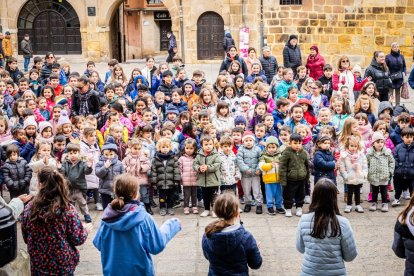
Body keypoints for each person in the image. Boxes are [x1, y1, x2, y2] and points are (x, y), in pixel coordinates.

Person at [93, 173, 181, 276]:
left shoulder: (107, 218)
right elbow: (157, 245)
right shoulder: (144, 218)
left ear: (115, 193)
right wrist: (172, 225)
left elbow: (98, 243)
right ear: (136, 194)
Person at [20, 166, 91, 275]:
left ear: (39, 184)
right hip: (62, 265)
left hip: (38, 264)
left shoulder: (29, 208)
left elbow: (26, 237)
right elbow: (78, 238)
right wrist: (85, 230)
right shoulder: (67, 209)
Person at [296, 178, 357, 275]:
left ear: (314, 196)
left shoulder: (304, 220)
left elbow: (300, 248)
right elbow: (350, 256)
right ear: (334, 198)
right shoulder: (343, 223)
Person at [202, 192, 262, 275]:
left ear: (216, 212)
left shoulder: (208, 234)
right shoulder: (246, 238)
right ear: (237, 214)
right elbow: (256, 264)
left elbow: (207, 256)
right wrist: (256, 249)